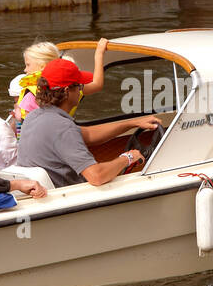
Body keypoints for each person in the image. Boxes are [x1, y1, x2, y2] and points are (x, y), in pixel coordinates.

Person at [18, 58, 161, 188]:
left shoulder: (34, 116)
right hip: (70, 198)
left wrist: (133, 123)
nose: (81, 91)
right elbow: (97, 176)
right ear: (67, 91)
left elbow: (88, 134)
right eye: (79, 86)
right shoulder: (62, 127)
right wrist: (128, 158)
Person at [9, 38, 109, 136]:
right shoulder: (71, 88)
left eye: (28, 65)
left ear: (43, 66)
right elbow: (97, 84)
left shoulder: (30, 96)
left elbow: (25, 127)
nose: (25, 69)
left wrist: (17, 111)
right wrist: (99, 54)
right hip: (63, 134)